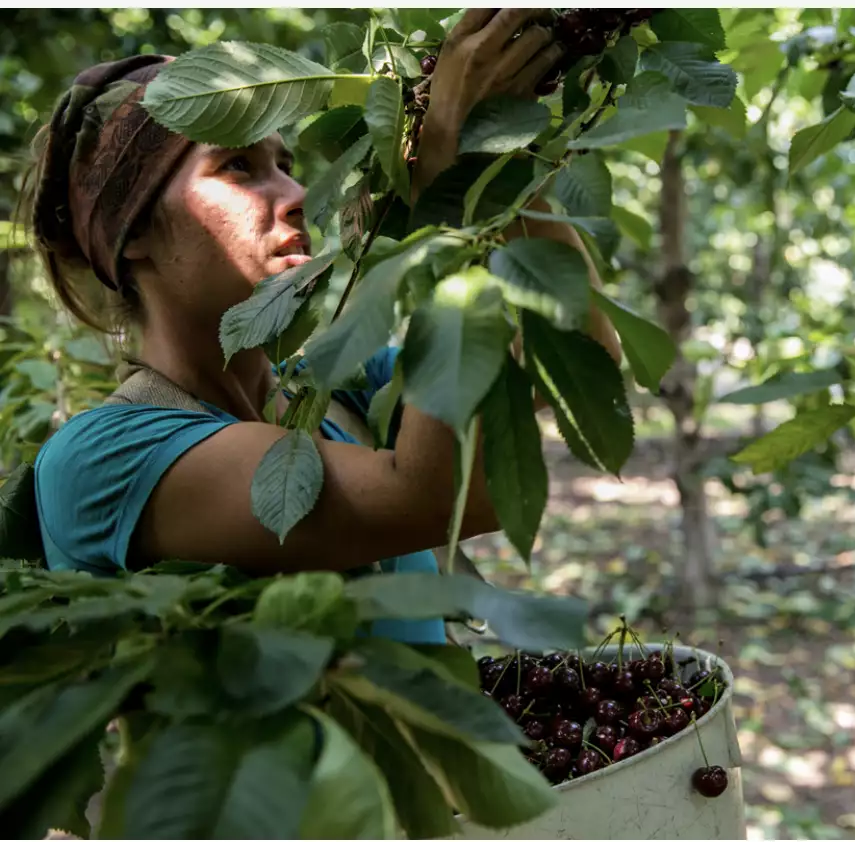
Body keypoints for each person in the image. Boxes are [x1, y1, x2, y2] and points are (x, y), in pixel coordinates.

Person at [22, 9, 622, 646]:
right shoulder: (104, 460)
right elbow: (446, 495)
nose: (298, 191)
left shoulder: (340, 385)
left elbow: (576, 369)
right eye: (237, 167)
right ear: (133, 233)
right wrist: (456, 179)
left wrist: (499, 156)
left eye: (283, 162)